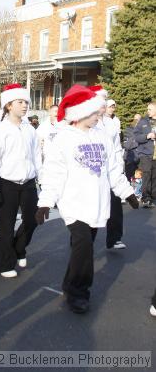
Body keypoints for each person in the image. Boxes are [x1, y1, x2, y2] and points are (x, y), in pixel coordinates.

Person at [36, 85, 138, 314]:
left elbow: (113, 169)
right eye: (94, 112)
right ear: (80, 113)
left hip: (96, 203)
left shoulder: (101, 136)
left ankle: (69, 283)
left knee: (82, 248)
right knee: (83, 247)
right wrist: (44, 202)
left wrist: (126, 192)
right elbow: (53, 173)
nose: (99, 114)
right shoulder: (62, 139)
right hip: (73, 204)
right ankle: (79, 293)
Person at [0, 83, 42, 278]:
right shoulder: (0, 130)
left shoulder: (30, 129)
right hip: (7, 183)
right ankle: (4, 264)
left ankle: (19, 247)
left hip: (28, 182)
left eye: (26, 102)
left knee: (32, 219)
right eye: (20, 102)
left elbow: (37, 156)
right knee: (6, 225)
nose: (25, 105)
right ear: (9, 105)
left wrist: (41, 180)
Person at [93, 88, 126, 250]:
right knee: (91, 206)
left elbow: (117, 146)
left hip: (111, 171)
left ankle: (114, 238)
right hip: (93, 172)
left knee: (115, 202)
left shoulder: (113, 123)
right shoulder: (88, 121)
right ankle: (79, 238)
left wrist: (119, 165)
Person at [134, 102, 156, 208]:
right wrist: (147, 136)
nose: (148, 111)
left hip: (155, 154)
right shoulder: (143, 121)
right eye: (148, 109)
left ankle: (152, 197)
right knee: (147, 175)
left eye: (150, 109)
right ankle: (146, 198)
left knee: (154, 176)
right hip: (145, 153)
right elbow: (136, 136)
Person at [123, 114, 141, 182]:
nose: (137, 121)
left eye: (139, 120)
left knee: (140, 180)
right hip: (130, 158)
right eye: (136, 119)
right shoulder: (128, 130)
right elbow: (127, 145)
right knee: (129, 179)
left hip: (141, 159)